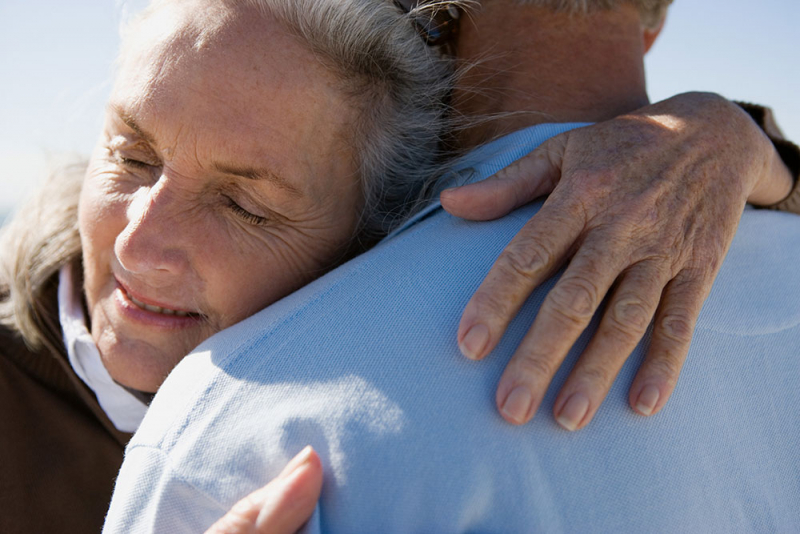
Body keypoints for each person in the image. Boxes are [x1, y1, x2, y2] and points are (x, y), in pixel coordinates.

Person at [0, 0, 797, 532]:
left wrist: (742, 143)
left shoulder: (257, 418)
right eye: (131, 155)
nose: (139, 245)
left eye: (246, 206)